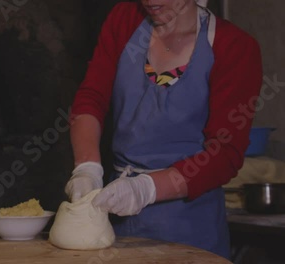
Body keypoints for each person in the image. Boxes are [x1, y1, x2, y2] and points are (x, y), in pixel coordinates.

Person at [65, 0, 262, 259]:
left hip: (190, 229)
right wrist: (87, 168)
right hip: (117, 222)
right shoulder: (126, 19)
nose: (149, 1)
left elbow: (224, 154)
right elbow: (91, 97)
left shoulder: (234, 47)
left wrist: (146, 188)